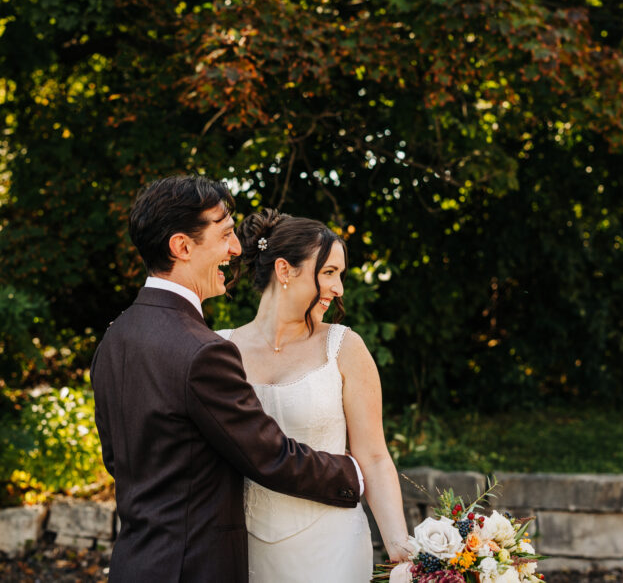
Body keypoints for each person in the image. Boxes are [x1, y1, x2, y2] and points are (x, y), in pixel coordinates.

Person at [90, 175, 364, 583]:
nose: (236, 249)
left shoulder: (115, 336)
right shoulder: (204, 351)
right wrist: (353, 475)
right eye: (225, 234)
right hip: (195, 567)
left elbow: (119, 459)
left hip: (136, 562)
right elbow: (267, 455)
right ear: (182, 247)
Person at [217, 209, 410, 582]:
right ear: (285, 270)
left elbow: (373, 456)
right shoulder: (220, 349)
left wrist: (401, 550)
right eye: (328, 273)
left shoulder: (344, 347)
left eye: (340, 275)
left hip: (331, 545)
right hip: (243, 548)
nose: (339, 289)